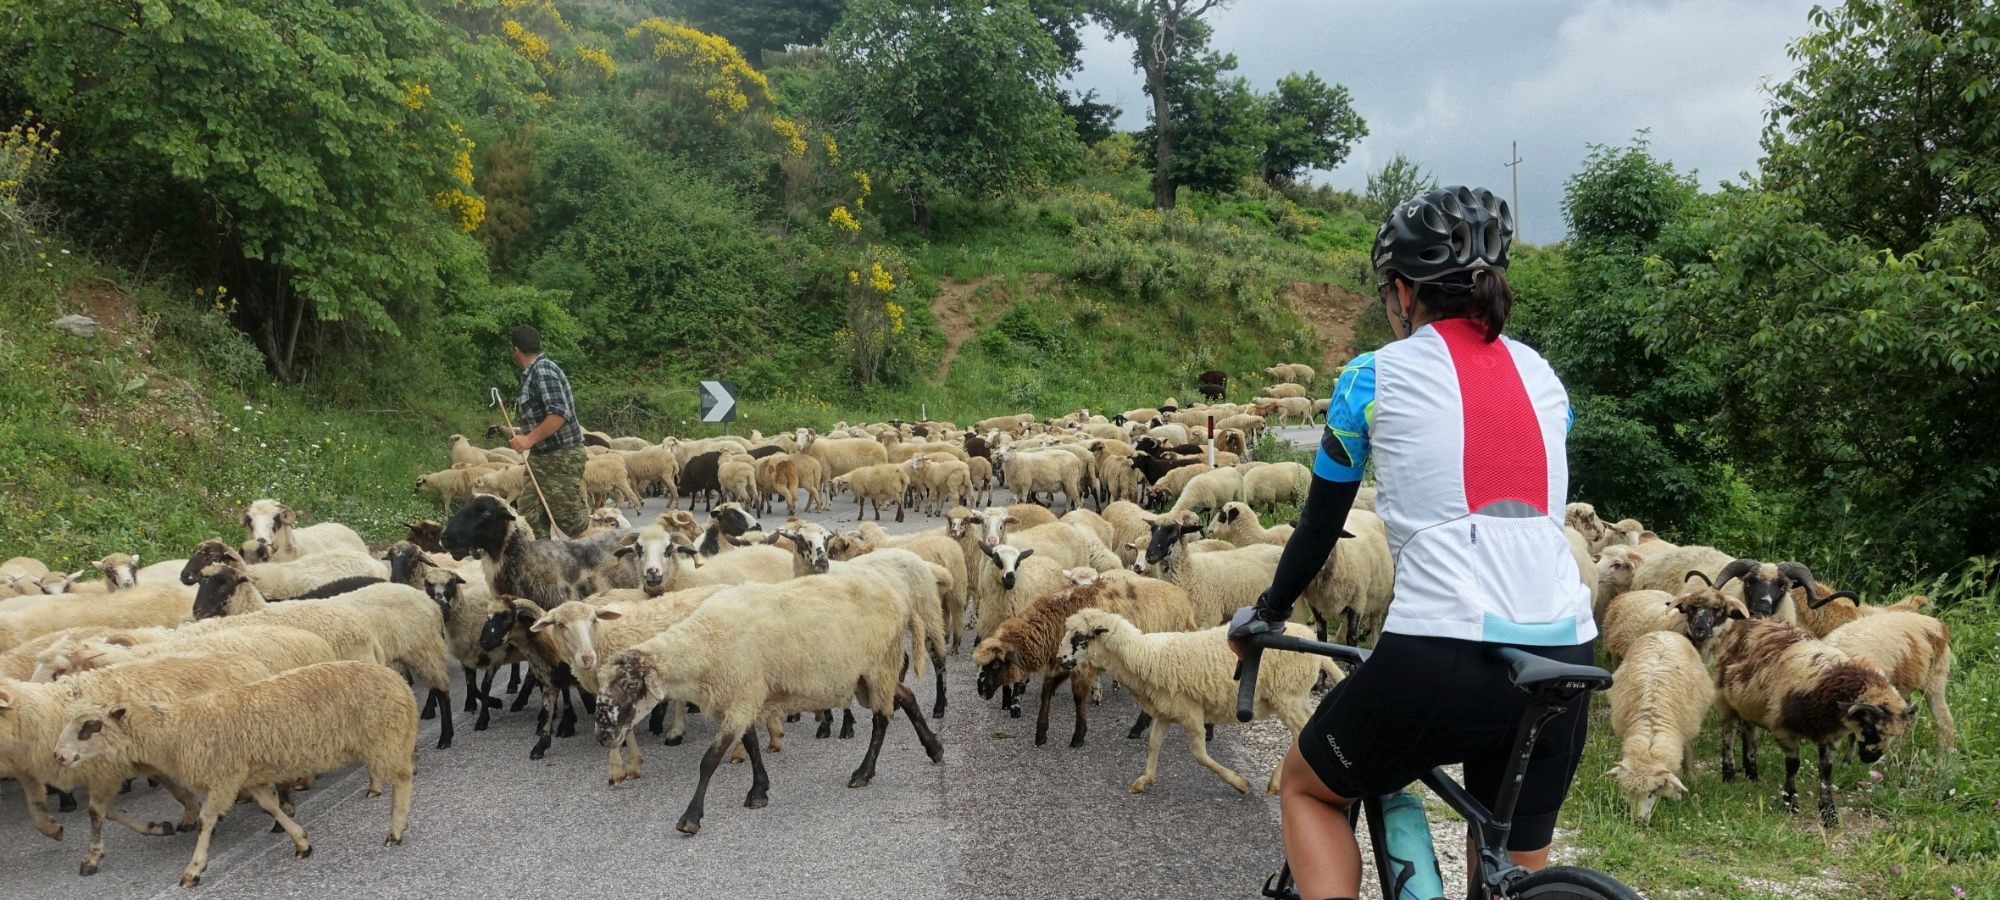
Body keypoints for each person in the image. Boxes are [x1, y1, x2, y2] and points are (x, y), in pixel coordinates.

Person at [1227, 186, 1595, 900]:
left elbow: (1322, 524)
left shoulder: (1370, 378)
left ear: (1402, 292)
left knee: (1307, 788)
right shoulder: (1545, 378)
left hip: (1445, 649)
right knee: (1511, 867)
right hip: (1568, 651)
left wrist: (1267, 613)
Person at [508, 325, 589, 538]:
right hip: (542, 458)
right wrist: (525, 437)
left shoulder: (543, 370)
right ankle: (542, 566)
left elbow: (559, 413)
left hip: (560, 457)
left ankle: (607, 562)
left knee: (571, 522)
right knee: (528, 518)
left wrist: (528, 439)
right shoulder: (532, 374)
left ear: (516, 350)